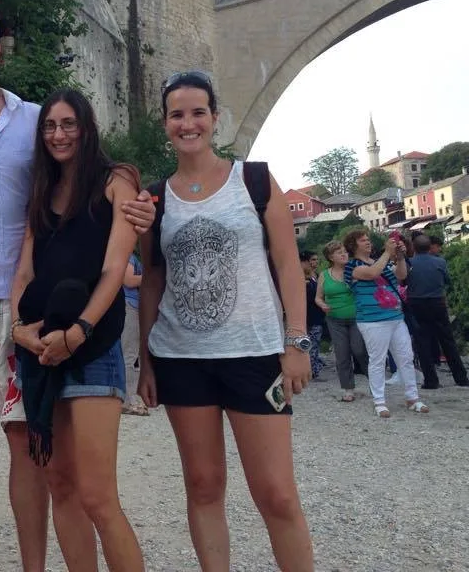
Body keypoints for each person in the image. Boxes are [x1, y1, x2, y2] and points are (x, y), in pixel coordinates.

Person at [0, 8, 155, 572]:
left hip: (32, 302)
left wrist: (136, 206)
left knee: (28, 439)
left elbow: (89, 181)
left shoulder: (34, 120)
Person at [137, 70, 313, 572]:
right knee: (204, 485)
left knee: (276, 493)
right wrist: (145, 362)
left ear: (215, 118)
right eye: (177, 114)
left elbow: (286, 263)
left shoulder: (253, 180)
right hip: (181, 357)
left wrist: (296, 342)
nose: (188, 123)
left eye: (198, 113)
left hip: (254, 355)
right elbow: (152, 277)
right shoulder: (156, 197)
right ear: (165, 123)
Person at [10, 88, 144, 571]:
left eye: (68, 124)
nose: (59, 134)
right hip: (40, 351)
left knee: (97, 496)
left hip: (91, 347)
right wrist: (18, 329)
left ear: (86, 128)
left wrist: (81, 330)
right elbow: (24, 270)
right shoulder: (42, 190)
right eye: (50, 126)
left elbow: (114, 269)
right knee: (60, 487)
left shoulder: (115, 181)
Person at [342, 229, 428, 417]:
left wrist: (400, 257)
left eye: (368, 239)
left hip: (395, 317)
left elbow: (401, 275)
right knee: (378, 360)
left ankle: (412, 397)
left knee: (406, 357)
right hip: (372, 320)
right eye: (363, 240)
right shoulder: (351, 266)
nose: (368, 242)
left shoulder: (378, 261)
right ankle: (379, 401)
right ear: (353, 245)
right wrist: (388, 253)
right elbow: (372, 274)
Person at [406, 234, 468, 389]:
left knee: (422, 341)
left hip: (416, 303)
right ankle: (461, 378)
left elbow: (404, 281)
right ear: (429, 247)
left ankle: (431, 381)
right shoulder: (440, 262)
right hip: (437, 302)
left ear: (414, 247)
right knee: (447, 340)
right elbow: (447, 280)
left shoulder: (409, 263)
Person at [315, 241, 368, 401]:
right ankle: (348, 389)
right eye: (339, 252)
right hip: (334, 319)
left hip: (356, 317)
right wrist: (323, 305)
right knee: (342, 354)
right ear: (331, 257)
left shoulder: (355, 270)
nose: (344, 254)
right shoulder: (324, 275)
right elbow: (318, 297)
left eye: (345, 251)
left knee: (360, 350)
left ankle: (375, 383)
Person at [121, 250, 148, 414]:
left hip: (133, 307)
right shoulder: (128, 257)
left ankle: (131, 397)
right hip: (130, 306)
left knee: (133, 356)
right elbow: (129, 280)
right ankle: (128, 400)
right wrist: (154, 276)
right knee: (129, 355)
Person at [300, 250, 325, 378]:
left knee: (315, 343)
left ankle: (314, 367)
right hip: (308, 315)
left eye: (316, 260)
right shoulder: (300, 278)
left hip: (318, 314)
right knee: (310, 344)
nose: (314, 263)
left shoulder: (317, 275)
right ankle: (312, 370)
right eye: (312, 260)